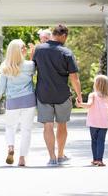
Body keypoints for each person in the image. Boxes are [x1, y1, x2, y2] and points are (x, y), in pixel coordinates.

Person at [32, 24, 82, 166]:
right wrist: (79, 96)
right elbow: (74, 78)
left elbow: (31, 70)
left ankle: (52, 158)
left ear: (53, 34)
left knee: (47, 126)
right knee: (62, 125)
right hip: (62, 95)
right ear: (64, 36)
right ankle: (60, 155)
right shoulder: (66, 52)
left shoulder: (39, 50)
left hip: (43, 94)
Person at [0, 39, 36, 166]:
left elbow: (1, 86)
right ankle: (22, 158)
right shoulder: (30, 65)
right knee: (26, 130)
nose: (25, 50)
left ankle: (11, 147)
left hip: (12, 102)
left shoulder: (6, 66)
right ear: (20, 50)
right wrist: (32, 57)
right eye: (24, 48)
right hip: (28, 101)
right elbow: (33, 69)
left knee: (10, 127)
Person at [76, 75, 108, 166]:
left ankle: (95, 159)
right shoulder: (107, 96)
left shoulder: (93, 95)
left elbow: (89, 105)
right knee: (101, 141)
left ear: (96, 84)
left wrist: (80, 104)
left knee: (94, 140)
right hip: (104, 122)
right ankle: (100, 160)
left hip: (94, 122)